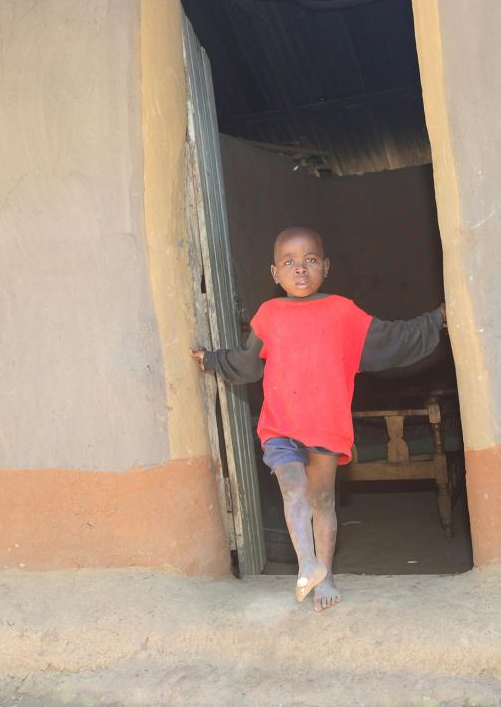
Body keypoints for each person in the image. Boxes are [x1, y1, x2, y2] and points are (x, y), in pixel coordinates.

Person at [190, 226, 446, 612]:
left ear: (325, 266)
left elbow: (390, 339)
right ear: (275, 273)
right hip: (280, 425)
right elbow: (246, 365)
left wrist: (435, 320)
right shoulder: (269, 314)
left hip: (325, 425)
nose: (301, 270)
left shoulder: (342, 311)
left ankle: (324, 576)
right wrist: (212, 359)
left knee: (322, 498)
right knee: (293, 486)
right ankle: (308, 565)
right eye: (289, 262)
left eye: (310, 260)